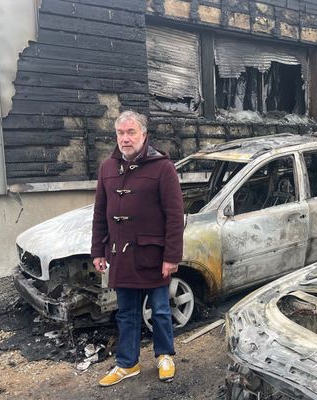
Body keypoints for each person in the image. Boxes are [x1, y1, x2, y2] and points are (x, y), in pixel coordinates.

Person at [91, 110, 184, 386]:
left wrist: (172, 256)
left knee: (160, 309)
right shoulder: (107, 168)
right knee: (126, 312)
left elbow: (174, 215)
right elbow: (100, 213)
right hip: (120, 254)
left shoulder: (162, 167)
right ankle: (127, 364)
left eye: (131, 132)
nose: (125, 138)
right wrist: (98, 250)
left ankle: (165, 356)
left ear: (144, 135)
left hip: (153, 255)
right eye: (120, 133)